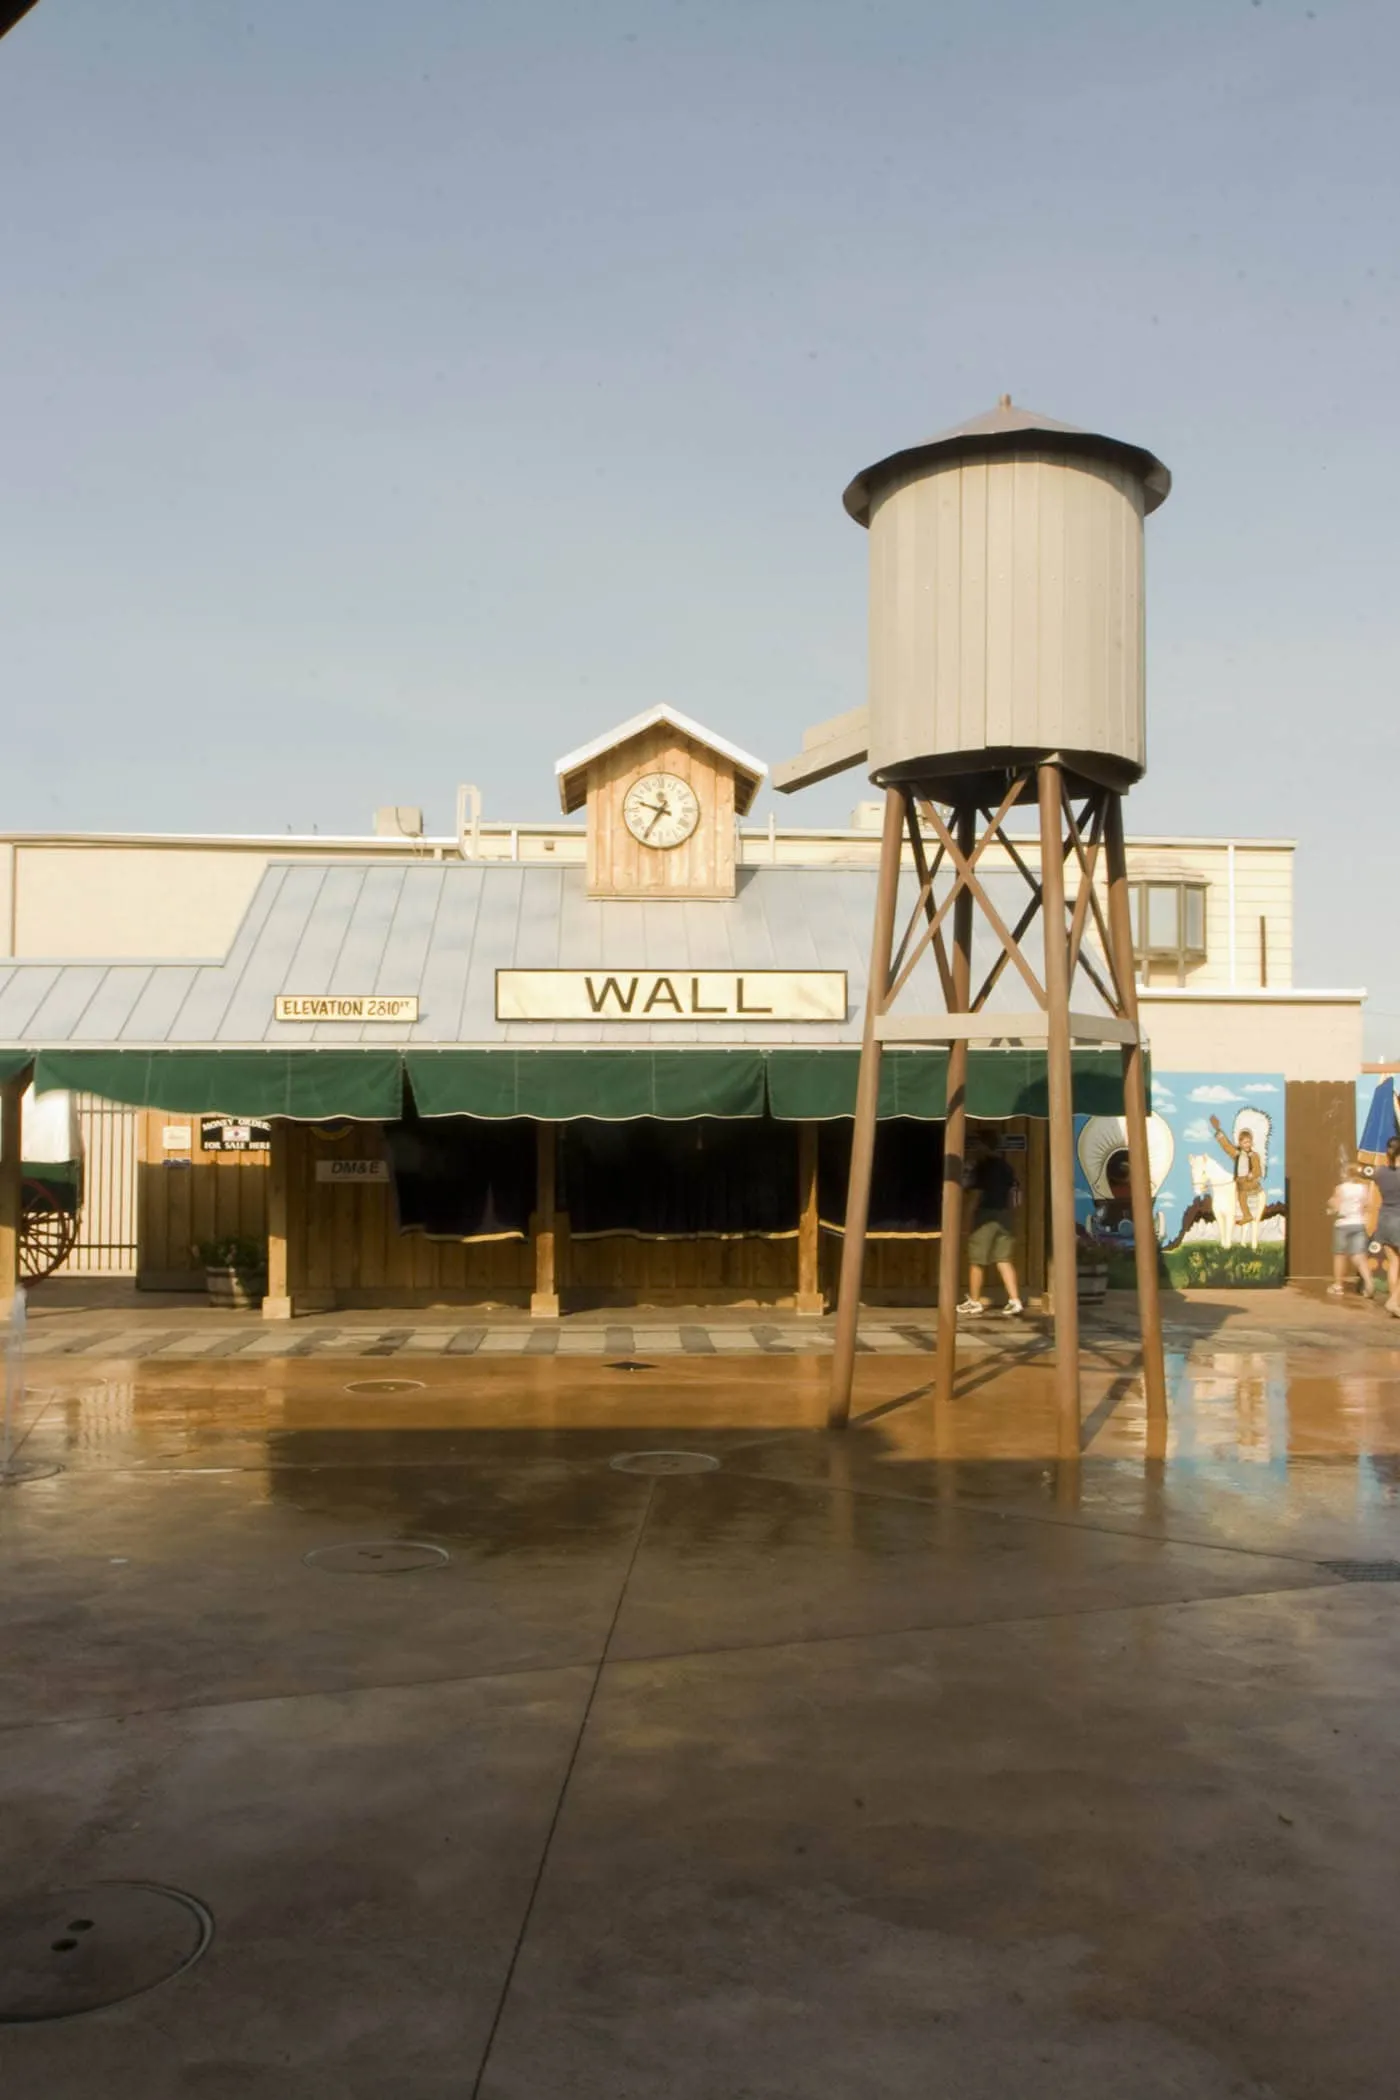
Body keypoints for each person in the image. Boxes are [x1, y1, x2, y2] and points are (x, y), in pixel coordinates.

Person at [957, 1133, 1023, 1317]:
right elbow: (1014, 1194)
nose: (975, 1149)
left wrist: (965, 1222)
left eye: (977, 1145)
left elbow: (975, 1196)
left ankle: (975, 1301)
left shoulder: (982, 1167)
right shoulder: (1007, 1167)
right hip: (1005, 1215)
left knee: (977, 1260)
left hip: (985, 1216)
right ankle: (1014, 1300)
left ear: (984, 1147)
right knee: (1004, 1259)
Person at [1209, 1115, 1263, 1234]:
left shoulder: (1254, 1156)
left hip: (1249, 1182)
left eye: (1248, 1142)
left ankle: (1247, 1215)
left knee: (1242, 1194)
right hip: (1239, 1181)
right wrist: (1218, 1130)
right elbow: (1227, 1146)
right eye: (1244, 1142)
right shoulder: (1237, 1154)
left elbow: (1258, 1170)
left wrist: (1252, 1174)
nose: (1247, 1144)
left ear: (1251, 1142)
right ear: (1240, 1143)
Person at [1327, 1166, 1374, 1299]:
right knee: (1359, 1256)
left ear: (1345, 1174)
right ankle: (1369, 1282)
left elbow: (1336, 1207)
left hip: (1343, 1224)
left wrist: (1330, 1203)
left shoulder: (1340, 1188)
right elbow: (1368, 1205)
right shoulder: (1364, 1188)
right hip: (1358, 1223)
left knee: (1340, 1255)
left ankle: (1338, 1285)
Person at [1373, 1137, 1400, 1317]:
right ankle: (1393, 1301)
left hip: (1384, 1219)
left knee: (1394, 1262)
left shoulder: (1379, 1172)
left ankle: (1395, 1302)